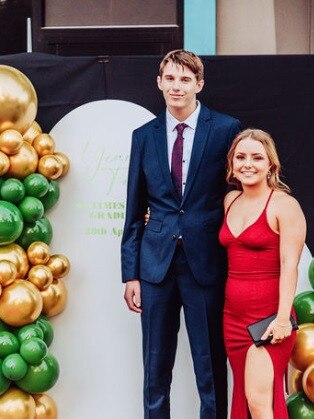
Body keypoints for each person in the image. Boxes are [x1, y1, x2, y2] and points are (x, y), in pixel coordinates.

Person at [121, 49, 241, 419]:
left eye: (185, 79)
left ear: (199, 84)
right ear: (159, 83)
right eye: (170, 78)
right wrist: (131, 274)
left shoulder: (225, 129)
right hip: (155, 267)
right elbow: (133, 209)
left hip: (206, 264)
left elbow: (236, 196)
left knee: (210, 366)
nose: (177, 86)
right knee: (155, 369)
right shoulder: (144, 136)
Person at [219, 128, 306, 419]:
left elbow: (290, 265)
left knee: (259, 402)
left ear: (271, 164)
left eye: (257, 157)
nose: (248, 164)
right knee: (245, 397)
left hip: (269, 319)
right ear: (231, 164)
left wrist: (283, 320)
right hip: (233, 319)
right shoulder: (230, 201)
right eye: (241, 157)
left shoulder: (284, 205)